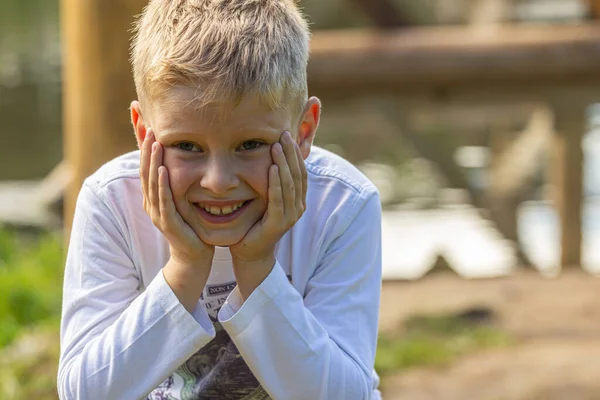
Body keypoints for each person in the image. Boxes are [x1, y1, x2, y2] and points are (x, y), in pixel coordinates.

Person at [57, 0, 383, 399]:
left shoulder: (343, 206)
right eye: (186, 146)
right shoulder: (111, 204)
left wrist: (257, 265)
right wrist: (186, 266)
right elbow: (84, 392)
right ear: (144, 133)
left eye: (250, 144)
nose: (218, 182)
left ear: (303, 130)